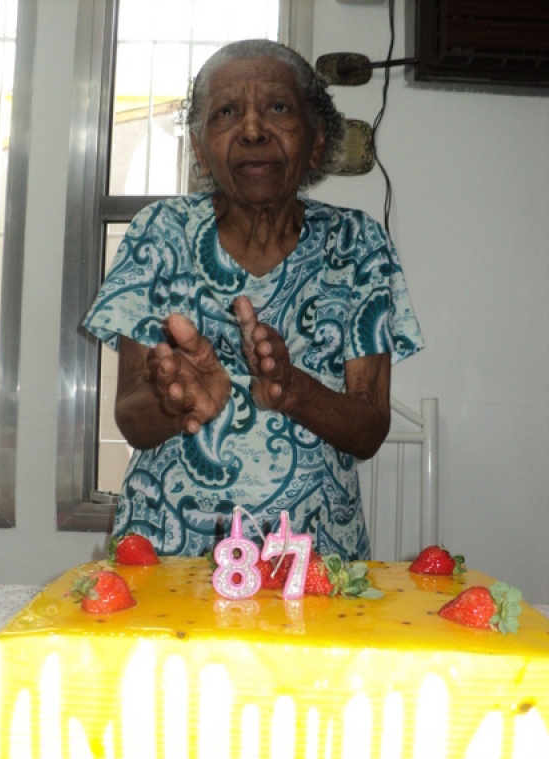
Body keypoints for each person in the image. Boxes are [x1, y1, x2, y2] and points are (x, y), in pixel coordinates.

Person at [83, 38, 423, 560]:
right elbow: (131, 417)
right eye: (225, 113)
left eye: (278, 108)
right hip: (170, 557)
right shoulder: (160, 232)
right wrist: (175, 402)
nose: (253, 129)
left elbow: (370, 428)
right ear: (199, 148)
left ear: (317, 139)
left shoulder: (359, 244)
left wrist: (293, 391)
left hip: (311, 565)